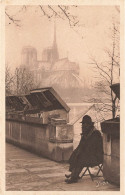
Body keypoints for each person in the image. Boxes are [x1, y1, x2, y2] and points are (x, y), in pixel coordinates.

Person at [65, 115, 103, 184]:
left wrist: (80, 152)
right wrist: (76, 152)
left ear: (89, 125)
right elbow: (80, 146)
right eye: (82, 124)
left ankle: (74, 177)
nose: (82, 126)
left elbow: (92, 148)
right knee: (76, 153)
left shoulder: (95, 133)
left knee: (80, 157)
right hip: (88, 155)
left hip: (96, 157)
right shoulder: (86, 133)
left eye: (84, 124)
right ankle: (74, 174)